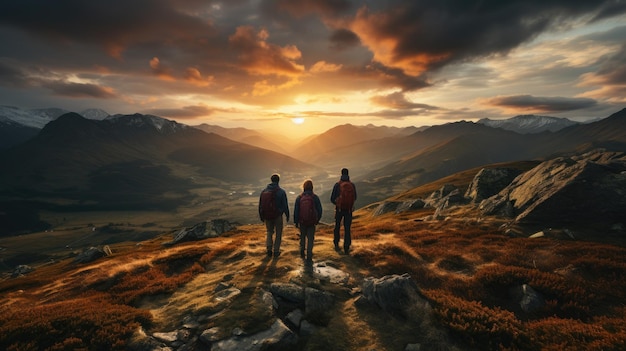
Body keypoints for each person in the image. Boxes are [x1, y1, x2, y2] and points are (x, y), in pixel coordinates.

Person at [259, 173, 289, 257]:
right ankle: (276, 251)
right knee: (278, 233)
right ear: (278, 181)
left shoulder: (264, 191)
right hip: (277, 216)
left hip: (267, 215)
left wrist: (261, 216)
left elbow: (260, 205)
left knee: (269, 232)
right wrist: (287, 215)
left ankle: (269, 249)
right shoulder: (281, 192)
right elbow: (285, 205)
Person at [294, 179, 323, 263]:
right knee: (310, 239)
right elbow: (320, 210)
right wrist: (317, 220)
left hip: (302, 222)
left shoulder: (299, 198)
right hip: (311, 222)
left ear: (303, 187)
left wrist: (296, 222)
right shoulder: (315, 197)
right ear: (312, 187)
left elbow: (296, 211)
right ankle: (309, 255)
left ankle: (302, 252)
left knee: (302, 237)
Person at [330, 168, 357, 255]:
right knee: (347, 228)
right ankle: (346, 246)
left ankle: (336, 243)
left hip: (339, 209)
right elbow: (355, 197)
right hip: (348, 209)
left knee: (337, 226)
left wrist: (337, 203)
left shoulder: (337, 185)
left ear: (341, 174)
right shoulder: (352, 185)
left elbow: (332, 198)